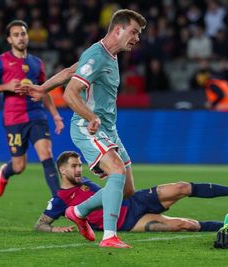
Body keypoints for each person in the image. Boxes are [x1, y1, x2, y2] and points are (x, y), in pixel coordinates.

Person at [17, 9, 147, 248]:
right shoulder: (97, 55)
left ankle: (78, 212)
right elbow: (70, 93)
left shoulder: (110, 54)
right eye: (134, 32)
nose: (137, 38)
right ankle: (109, 237)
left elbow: (69, 72)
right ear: (118, 30)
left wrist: (42, 88)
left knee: (127, 189)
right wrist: (90, 116)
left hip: (108, 129)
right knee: (116, 170)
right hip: (87, 126)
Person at [35, 151, 228, 235]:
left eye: (79, 165)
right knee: (186, 225)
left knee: (182, 187)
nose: (78, 169)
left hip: (133, 200)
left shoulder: (84, 182)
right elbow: (40, 224)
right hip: (128, 222)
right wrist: (56, 229)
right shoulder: (59, 200)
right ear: (62, 170)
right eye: (74, 166)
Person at [0, 20, 64, 197]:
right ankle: (5, 172)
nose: (21, 38)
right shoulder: (0, 61)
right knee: (19, 166)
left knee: (46, 153)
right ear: (9, 39)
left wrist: (56, 116)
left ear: (27, 37)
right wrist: (6, 86)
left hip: (37, 115)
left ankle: (59, 201)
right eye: (16, 35)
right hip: (14, 118)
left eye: (23, 34)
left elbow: (44, 90)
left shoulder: (37, 63)